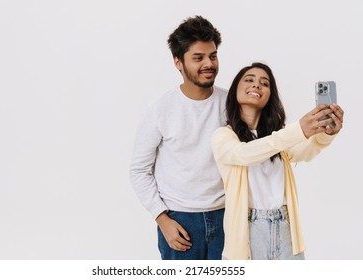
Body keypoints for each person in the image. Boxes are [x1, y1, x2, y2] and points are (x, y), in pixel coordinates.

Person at [211, 62, 344, 260]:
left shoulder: (280, 138)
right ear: (234, 91)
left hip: (285, 228)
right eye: (249, 80)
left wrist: (327, 134)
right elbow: (243, 154)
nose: (256, 85)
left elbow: (305, 151)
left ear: (269, 95)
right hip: (248, 232)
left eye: (264, 83)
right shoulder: (223, 136)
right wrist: (297, 130)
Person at [129, 16, 227, 260]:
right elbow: (139, 170)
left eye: (212, 56)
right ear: (178, 62)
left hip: (228, 216)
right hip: (180, 221)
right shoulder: (159, 109)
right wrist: (162, 219)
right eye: (198, 58)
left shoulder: (231, 103)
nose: (209, 63)